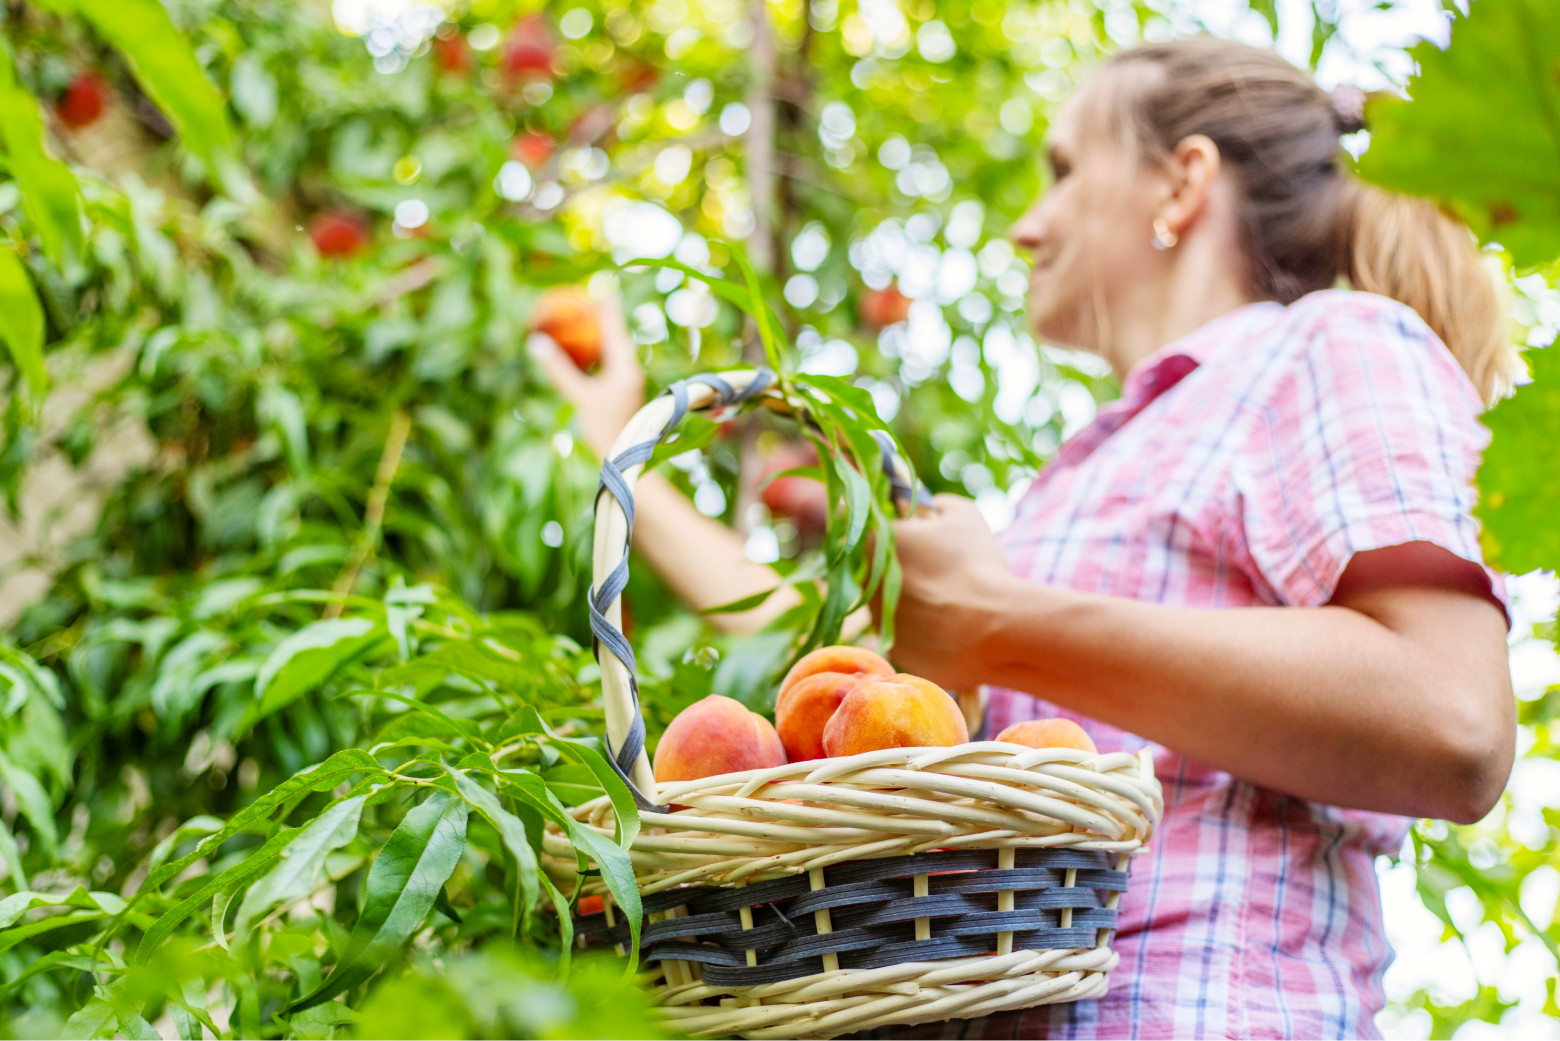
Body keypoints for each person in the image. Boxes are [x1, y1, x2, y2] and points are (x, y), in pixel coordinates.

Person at [535, 35, 1517, 1041]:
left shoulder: (1328, 343)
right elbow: (841, 672)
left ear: (1181, 183)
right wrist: (619, 453)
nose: (1023, 226)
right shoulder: (1077, 481)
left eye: (1062, 171)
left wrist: (999, 620)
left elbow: (1452, 720)